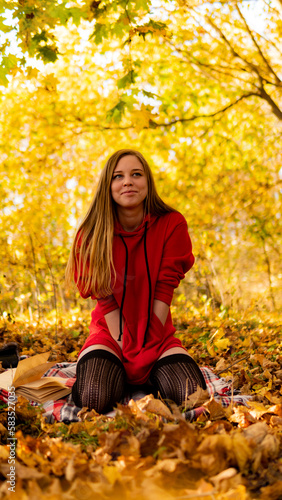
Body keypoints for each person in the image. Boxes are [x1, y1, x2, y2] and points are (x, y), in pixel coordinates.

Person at [65, 149, 206, 413]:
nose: (127, 181)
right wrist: (125, 349)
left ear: (147, 182)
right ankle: (117, 377)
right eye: (118, 176)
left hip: (157, 334)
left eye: (136, 174)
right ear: (108, 186)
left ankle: (147, 379)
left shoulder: (172, 224)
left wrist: (148, 350)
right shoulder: (91, 234)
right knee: (93, 397)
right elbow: (104, 298)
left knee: (192, 396)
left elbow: (166, 286)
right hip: (109, 335)